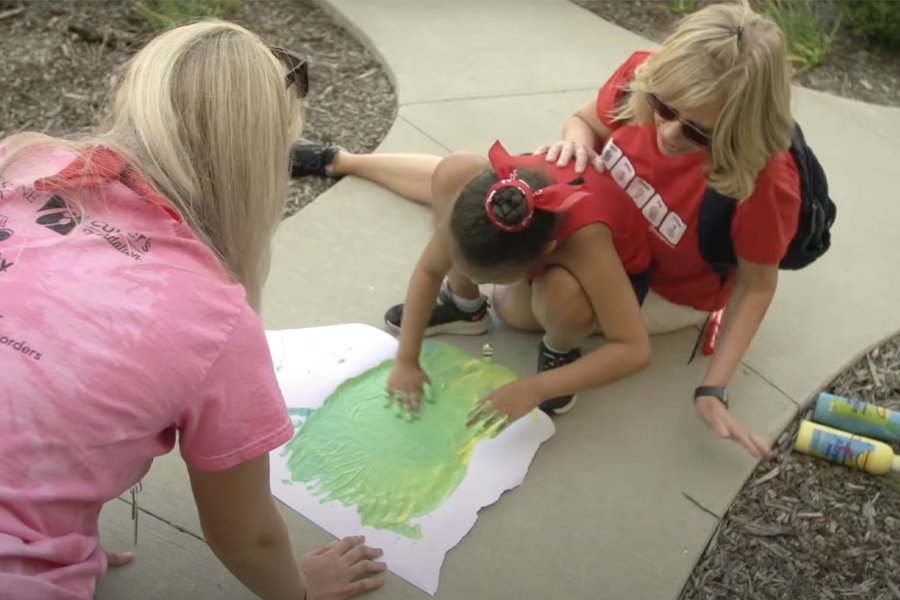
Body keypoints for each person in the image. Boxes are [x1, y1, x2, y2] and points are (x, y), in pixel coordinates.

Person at [0, 20, 385, 600]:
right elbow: (245, 536)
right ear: (259, 165)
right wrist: (300, 589)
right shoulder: (214, 320)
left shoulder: (20, 161)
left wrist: (55, 517)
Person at [535, 0, 813, 459]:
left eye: (700, 134)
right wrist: (575, 148)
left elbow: (757, 285)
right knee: (480, 190)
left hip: (667, 287)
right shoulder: (646, 76)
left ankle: (560, 353)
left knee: (547, 301)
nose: (668, 134)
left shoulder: (765, 180)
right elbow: (584, 122)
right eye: (664, 107)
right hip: (605, 229)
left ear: (739, 131)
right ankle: (366, 163)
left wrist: (714, 386)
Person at [292, 137, 655, 423]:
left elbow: (633, 349)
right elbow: (430, 269)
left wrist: (536, 388)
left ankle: (560, 348)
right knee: (453, 169)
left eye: (494, 281)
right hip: (526, 247)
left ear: (545, 253)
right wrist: (406, 358)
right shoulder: (485, 200)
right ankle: (466, 308)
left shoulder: (585, 241)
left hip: (605, 274)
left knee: (558, 298)